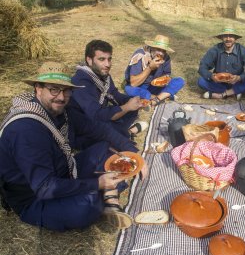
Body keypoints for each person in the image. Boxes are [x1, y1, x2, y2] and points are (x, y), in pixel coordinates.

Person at [0, 62, 147, 231]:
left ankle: (107, 193)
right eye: (54, 89)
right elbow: (45, 187)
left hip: (63, 170)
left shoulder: (62, 110)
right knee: (87, 206)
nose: (61, 97)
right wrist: (96, 184)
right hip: (34, 197)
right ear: (38, 89)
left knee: (105, 148)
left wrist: (134, 152)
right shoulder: (27, 130)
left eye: (66, 90)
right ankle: (107, 195)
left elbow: (99, 129)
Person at [70, 40, 148, 141]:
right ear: (89, 60)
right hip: (85, 125)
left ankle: (122, 132)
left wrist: (131, 100)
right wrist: (127, 107)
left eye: (109, 59)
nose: (107, 64)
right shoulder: (81, 82)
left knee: (132, 110)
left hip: (100, 116)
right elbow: (96, 115)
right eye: (102, 59)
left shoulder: (102, 73)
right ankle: (128, 132)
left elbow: (114, 93)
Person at [198, 26, 245, 100]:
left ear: (235, 39)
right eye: (225, 36)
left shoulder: (242, 50)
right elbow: (202, 67)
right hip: (218, 82)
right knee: (201, 81)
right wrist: (211, 76)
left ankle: (221, 95)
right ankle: (234, 92)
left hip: (236, 82)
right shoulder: (215, 49)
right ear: (221, 38)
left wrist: (239, 78)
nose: (228, 39)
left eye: (231, 36)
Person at [124, 35, 185, 105]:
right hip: (140, 86)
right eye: (158, 50)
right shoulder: (140, 55)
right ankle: (160, 96)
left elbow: (167, 74)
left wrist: (164, 80)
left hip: (154, 86)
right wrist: (150, 68)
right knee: (129, 90)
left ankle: (155, 99)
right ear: (152, 47)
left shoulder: (166, 57)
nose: (161, 53)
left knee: (179, 81)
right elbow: (134, 83)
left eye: (163, 51)